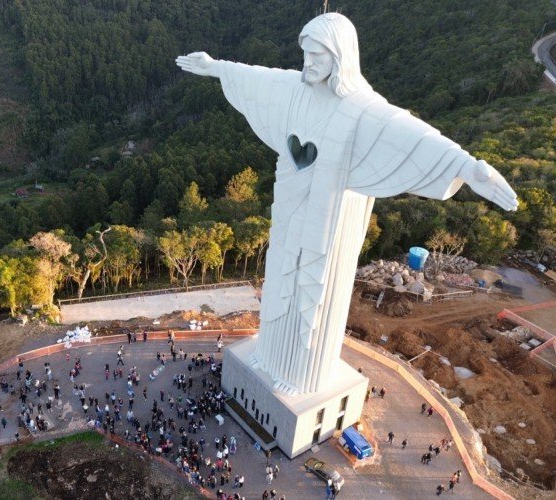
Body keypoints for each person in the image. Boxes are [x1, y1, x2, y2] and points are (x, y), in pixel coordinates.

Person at [176, 12, 518, 395]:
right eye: (305, 54)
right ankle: (269, 356)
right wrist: (215, 68)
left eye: (318, 56)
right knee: (279, 281)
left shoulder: (362, 109)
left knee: (314, 296)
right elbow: (258, 77)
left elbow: (413, 136)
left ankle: (298, 376)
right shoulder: (295, 88)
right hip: (289, 217)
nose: (308, 64)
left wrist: (468, 167)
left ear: (340, 57)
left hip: (329, 227)